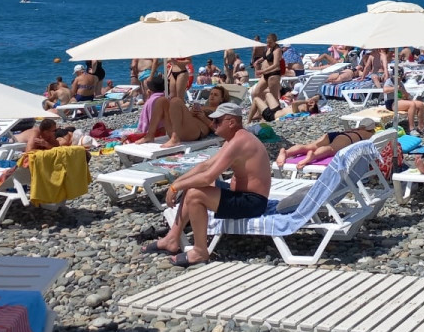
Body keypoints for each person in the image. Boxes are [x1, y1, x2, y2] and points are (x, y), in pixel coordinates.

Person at [141, 104, 271, 268]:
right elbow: (205, 166)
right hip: (241, 195)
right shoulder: (234, 139)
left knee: (196, 193)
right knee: (192, 185)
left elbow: (209, 176)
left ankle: (200, 251)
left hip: (252, 202)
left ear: (231, 122)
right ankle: (172, 238)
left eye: (217, 121)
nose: (213, 124)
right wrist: (177, 183)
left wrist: (176, 187)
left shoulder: (240, 142)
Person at [275, 118, 377, 170]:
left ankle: (286, 152)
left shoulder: (355, 129)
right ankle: (313, 156)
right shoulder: (368, 133)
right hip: (346, 139)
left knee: (309, 146)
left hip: (334, 134)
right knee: (330, 149)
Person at [162, 85, 228, 146]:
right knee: (162, 101)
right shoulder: (203, 106)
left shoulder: (221, 110)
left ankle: (175, 138)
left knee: (176, 101)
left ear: (222, 99)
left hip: (196, 131)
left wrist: (203, 118)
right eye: (211, 94)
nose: (212, 96)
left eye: (216, 95)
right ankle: (151, 135)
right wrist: (191, 113)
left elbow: (220, 130)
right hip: (181, 129)